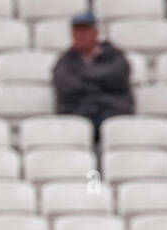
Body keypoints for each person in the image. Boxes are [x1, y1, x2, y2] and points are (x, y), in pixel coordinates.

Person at [52, 12, 134, 140]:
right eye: (76, 31)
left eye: (85, 30)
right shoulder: (65, 61)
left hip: (111, 112)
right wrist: (100, 82)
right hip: (78, 114)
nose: (80, 36)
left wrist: (84, 76)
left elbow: (118, 77)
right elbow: (67, 87)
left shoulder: (115, 56)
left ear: (95, 32)